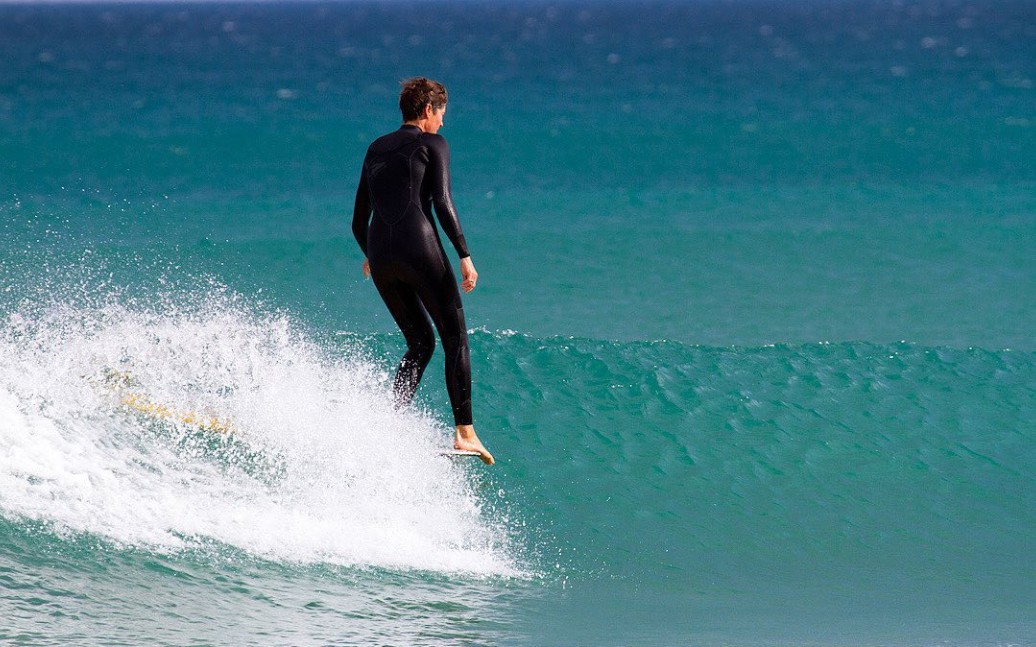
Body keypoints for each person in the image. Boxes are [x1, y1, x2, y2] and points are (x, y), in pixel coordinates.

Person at [352, 77, 494, 465]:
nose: (443, 124)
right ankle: (465, 432)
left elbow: (357, 219)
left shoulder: (376, 148)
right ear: (428, 110)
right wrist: (465, 255)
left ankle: (388, 423)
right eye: (442, 114)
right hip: (419, 247)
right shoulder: (432, 144)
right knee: (455, 338)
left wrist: (373, 253)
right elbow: (442, 203)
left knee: (420, 343)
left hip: (381, 255)